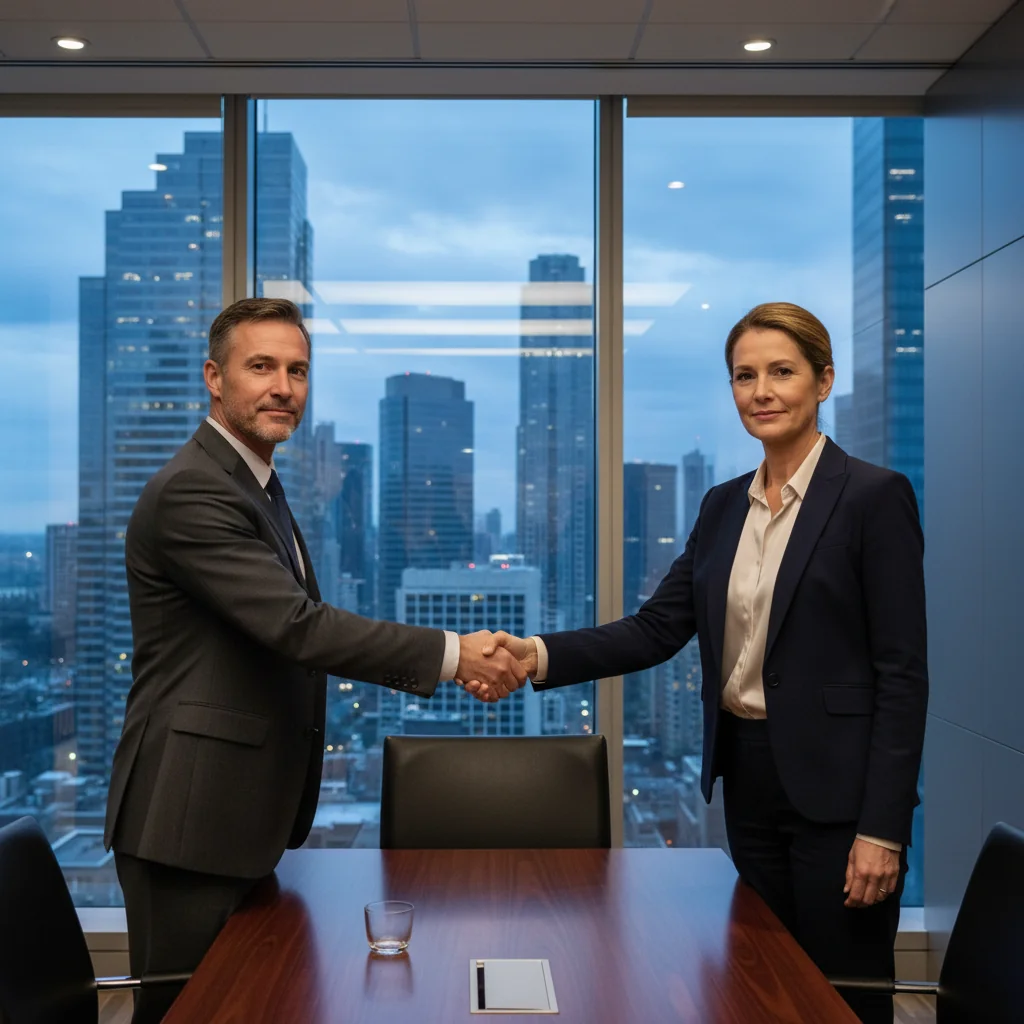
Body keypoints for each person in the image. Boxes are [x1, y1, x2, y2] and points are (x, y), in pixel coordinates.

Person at [470, 302, 928, 1024]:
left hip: (840, 798)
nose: (762, 391)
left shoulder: (874, 498)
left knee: (838, 998)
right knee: (760, 989)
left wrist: (883, 828)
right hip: (747, 782)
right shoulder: (723, 508)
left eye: (782, 372)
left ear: (823, 381)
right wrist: (535, 654)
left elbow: (903, 675)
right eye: (745, 376)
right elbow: (657, 629)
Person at [104, 297, 520, 1023]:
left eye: (297, 370)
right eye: (260, 367)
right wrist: (455, 655)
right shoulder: (195, 489)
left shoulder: (254, 484)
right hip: (186, 819)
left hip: (229, 814)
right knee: (192, 1013)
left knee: (244, 1005)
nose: (283, 387)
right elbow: (297, 627)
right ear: (213, 377)